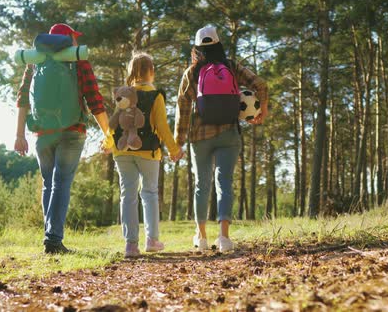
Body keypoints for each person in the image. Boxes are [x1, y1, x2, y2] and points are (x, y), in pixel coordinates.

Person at [14, 23, 110, 254]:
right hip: (72, 131)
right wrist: (109, 134)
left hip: (42, 135)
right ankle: (53, 239)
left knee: (49, 184)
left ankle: (51, 237)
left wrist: (19, 135)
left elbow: (23, 99)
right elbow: (94, 100)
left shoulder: (34, 62)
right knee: (61, 183)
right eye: (73, 38)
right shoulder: (78, 61)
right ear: (67, 40)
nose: (75, 43)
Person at [174, 26, 268, 252]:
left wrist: (179, 138)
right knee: (224, 182)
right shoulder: (231, 66)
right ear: (218, 44)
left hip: (200, 136)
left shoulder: (192, 72)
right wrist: (262, 110)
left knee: (201, 185)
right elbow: (260, 84)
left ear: (197, 48)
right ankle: (224, 237)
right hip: (229, 133)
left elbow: (183, 106)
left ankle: (202, 236)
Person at [103, 52, 183, 258]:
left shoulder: (124, 94)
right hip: (148, 150)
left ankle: (130, 245)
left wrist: (108, 143)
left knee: (127, 195)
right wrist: (174, 150)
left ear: (131, 73)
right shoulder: (156, 96)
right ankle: (152, 240)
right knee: (149, 193)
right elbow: (162, 126)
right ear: (152, 72)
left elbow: (115, 123)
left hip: (122, 151)